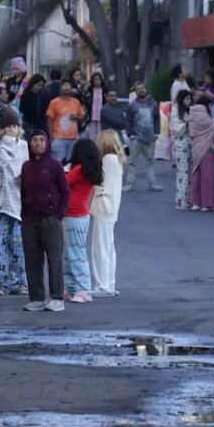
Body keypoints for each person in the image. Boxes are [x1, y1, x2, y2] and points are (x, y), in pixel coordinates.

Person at [20, 130, 69, 312]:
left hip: (51, 219)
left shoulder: (55, 166)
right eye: (35, 140)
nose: (38, 143)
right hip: (30, 220)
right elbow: (23, 192)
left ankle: (56, 297)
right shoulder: (26, 167)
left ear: (47, 143)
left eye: (42, 140)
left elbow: (65, 192)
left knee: (54, 259)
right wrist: (24, 213)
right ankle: (37, 298)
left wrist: (59, 214)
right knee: (32, 260)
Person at [0, 108, 30, 294]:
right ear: (2, 128)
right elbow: (2, 162)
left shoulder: (24, 145)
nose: (12, 129)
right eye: (8, 126)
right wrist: (7, 143)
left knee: (18, 245)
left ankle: (19, 282)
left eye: (14, 126)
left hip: (18, 201)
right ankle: (0, 282)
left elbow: (23, 169)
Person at [63, 138, 103, 303]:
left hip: (74, 215)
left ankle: (82, 289)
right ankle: (72, 288)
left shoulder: (79, 170)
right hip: (78, 215)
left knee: (75, 254)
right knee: (70, 254)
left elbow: (64, 182)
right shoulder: (88, 170)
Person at [91, 129, 126, 297]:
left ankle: (102, 285)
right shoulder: (117, 160)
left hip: (103, 205)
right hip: (111, 207)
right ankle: (109, 283)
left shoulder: (107, 160)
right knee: (108, 246)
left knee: (100, 248)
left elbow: (100, 183)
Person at [124, 82, 161, 192]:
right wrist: (130, 134)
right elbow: (128, 121)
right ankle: (129, 184)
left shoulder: (153, 104)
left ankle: (153, 184)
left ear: (146, 89)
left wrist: (157, 133)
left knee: (150, 162)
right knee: (132, 162)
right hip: (136, 138)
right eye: (138, 89)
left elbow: (157, 119)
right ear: (135, 92)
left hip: (150, 138)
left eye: (142, 88)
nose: (141, 90)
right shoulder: (132, 105)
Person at [188, 96, 214, 210]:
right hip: (207, 148)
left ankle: (195, 203)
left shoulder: (192, 114)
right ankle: (206, 203)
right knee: (208, 176)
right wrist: (213, 115)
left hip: (195, 148)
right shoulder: (207, 118)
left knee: (196, 175)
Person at [46, 79, 86, 163]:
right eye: (64, 85)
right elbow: (50, 120)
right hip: (58, 138)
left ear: (71, 88)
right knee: (58, 163)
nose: (66, 88)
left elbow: (82, 116)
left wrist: (76, 117)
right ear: (60, 88)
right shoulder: (54, 102)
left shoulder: (76, 102)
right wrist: (51, 137)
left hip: (73, 138)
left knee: (71, 162)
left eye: (68, 86)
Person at [171, 90, 193, 210]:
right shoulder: (175, 111)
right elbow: (175, 130)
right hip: (180, 144)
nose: (189, 101)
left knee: (190, 172)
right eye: (186, 99)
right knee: (182, 173)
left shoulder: (190, 111)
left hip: (190, 144)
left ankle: (189, 198)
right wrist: (186, 123)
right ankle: (181, 200)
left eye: (190, 99)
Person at [85, 72, 107, 141]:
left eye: (98, 79)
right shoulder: (89, 90)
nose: (97, 81)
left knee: (101, 134)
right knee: (92, 135)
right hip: (92, 115)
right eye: (95, 79)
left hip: (102, 115)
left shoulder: (105, 90)